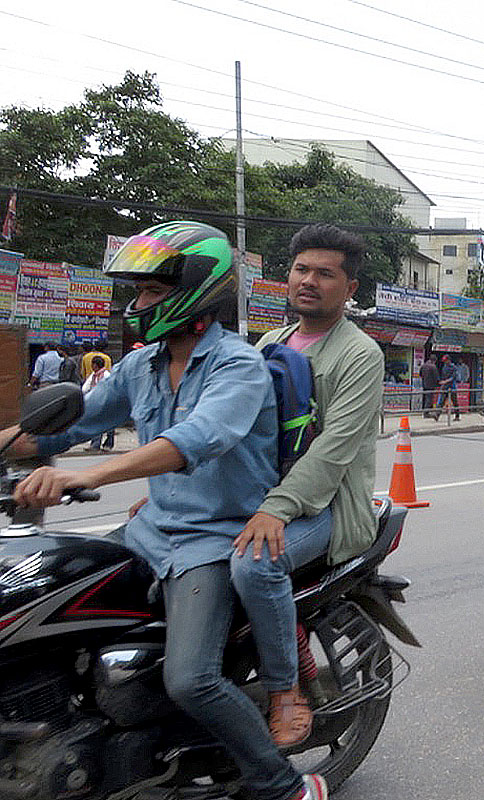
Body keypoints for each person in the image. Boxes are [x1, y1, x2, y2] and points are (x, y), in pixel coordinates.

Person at [3, 221, 326, 800]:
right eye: (139, 291)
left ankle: (284, 785)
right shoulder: (140, 365)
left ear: (197, 292)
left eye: (153, 291)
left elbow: (197, 438)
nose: (140, 304)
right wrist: (13, 443)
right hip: (148, 529)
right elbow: (68, 424)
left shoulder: (237, 367)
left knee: (191, 679)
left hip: (211, 538)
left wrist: (88, 474)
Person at [250, 223, 384, 747]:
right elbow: (236, 430)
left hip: (328, 509)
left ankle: (289, 687)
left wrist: (276, 510)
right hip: (267, 498)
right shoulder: (269, 343)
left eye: (325, 273)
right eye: (302, 269)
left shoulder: (359, 354)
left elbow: (333, 453)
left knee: (254, 561)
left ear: (350, 289)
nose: (309, 280)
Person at [81, 355, 114, 451]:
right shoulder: (94, 375)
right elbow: (85, 388)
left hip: (106, 402)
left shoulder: (106, 375)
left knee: (109, 425)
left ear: (96, 365)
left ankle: (108, 444)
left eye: (93, 364)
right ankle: (95, 444)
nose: (91, 366)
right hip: (97, 402)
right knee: (97, 423)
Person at [435, 354, 459, 421]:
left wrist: (445, 381)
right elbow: (443, 376)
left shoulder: (453, 367)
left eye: (446, 360)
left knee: (455, 402)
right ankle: (437, 415)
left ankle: (457, 416)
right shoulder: (444, 367)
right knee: (441, 401)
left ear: (449, 360)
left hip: (452, 387)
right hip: (445, 387)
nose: (445, 362)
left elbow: (453, 377)